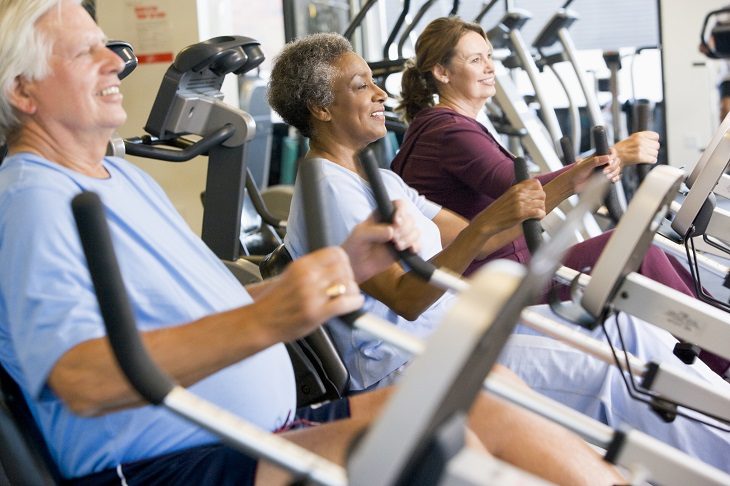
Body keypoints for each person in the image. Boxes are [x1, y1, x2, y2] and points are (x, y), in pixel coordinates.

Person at [0, 1, 629, 485]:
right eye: (85, 53)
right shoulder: (31, 199)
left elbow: (226, 314)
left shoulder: (124, 178)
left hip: (252, 429)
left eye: (107, 46)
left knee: (494, 394)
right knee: (461, 432)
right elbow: (80, 380)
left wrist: (346, 267)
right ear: (21, 91)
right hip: (177, 461)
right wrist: (276, 312)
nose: (116, 61)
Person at [269, 31, 730, 472]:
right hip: (413, 361)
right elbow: (407, 299)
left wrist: (572, 180)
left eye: (374, 81)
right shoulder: (327, 187)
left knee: (630, 328)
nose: (380, 95)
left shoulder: (383, 181)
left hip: (464, 334)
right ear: (320, 108)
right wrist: (490, 222)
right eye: (361, 85)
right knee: (610, 377)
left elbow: (476, 235)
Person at [390, 16, 729, 378]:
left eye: (489, 56)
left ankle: (719, 344)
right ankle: (722, 361)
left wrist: (596, 163)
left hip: (511, 267)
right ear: (441, 71)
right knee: (636, 251)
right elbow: (516, 188)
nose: (490, 67)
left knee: (646, 251)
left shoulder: (447, 124)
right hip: (494, 282)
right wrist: (613, 154)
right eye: (476, 60)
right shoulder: (447, 130)